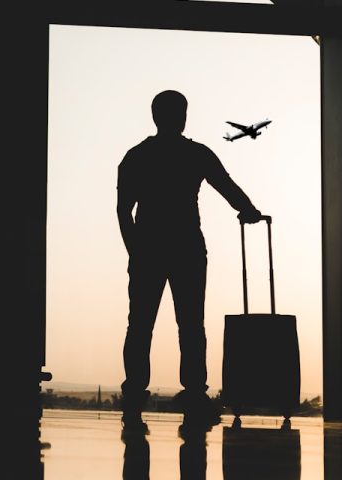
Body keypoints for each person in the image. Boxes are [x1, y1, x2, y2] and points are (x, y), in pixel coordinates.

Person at [117, 90, 263, 433]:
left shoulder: (136, 157)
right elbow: (225, 185)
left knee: (140, 325)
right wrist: (249, 210)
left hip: (148, 248)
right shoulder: (195, 154)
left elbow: (124, 210)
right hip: (187, 247)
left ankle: (134, 393)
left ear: (155, 117)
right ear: (182, 117)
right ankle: (195, 393)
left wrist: (134, 250)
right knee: (191, 325)